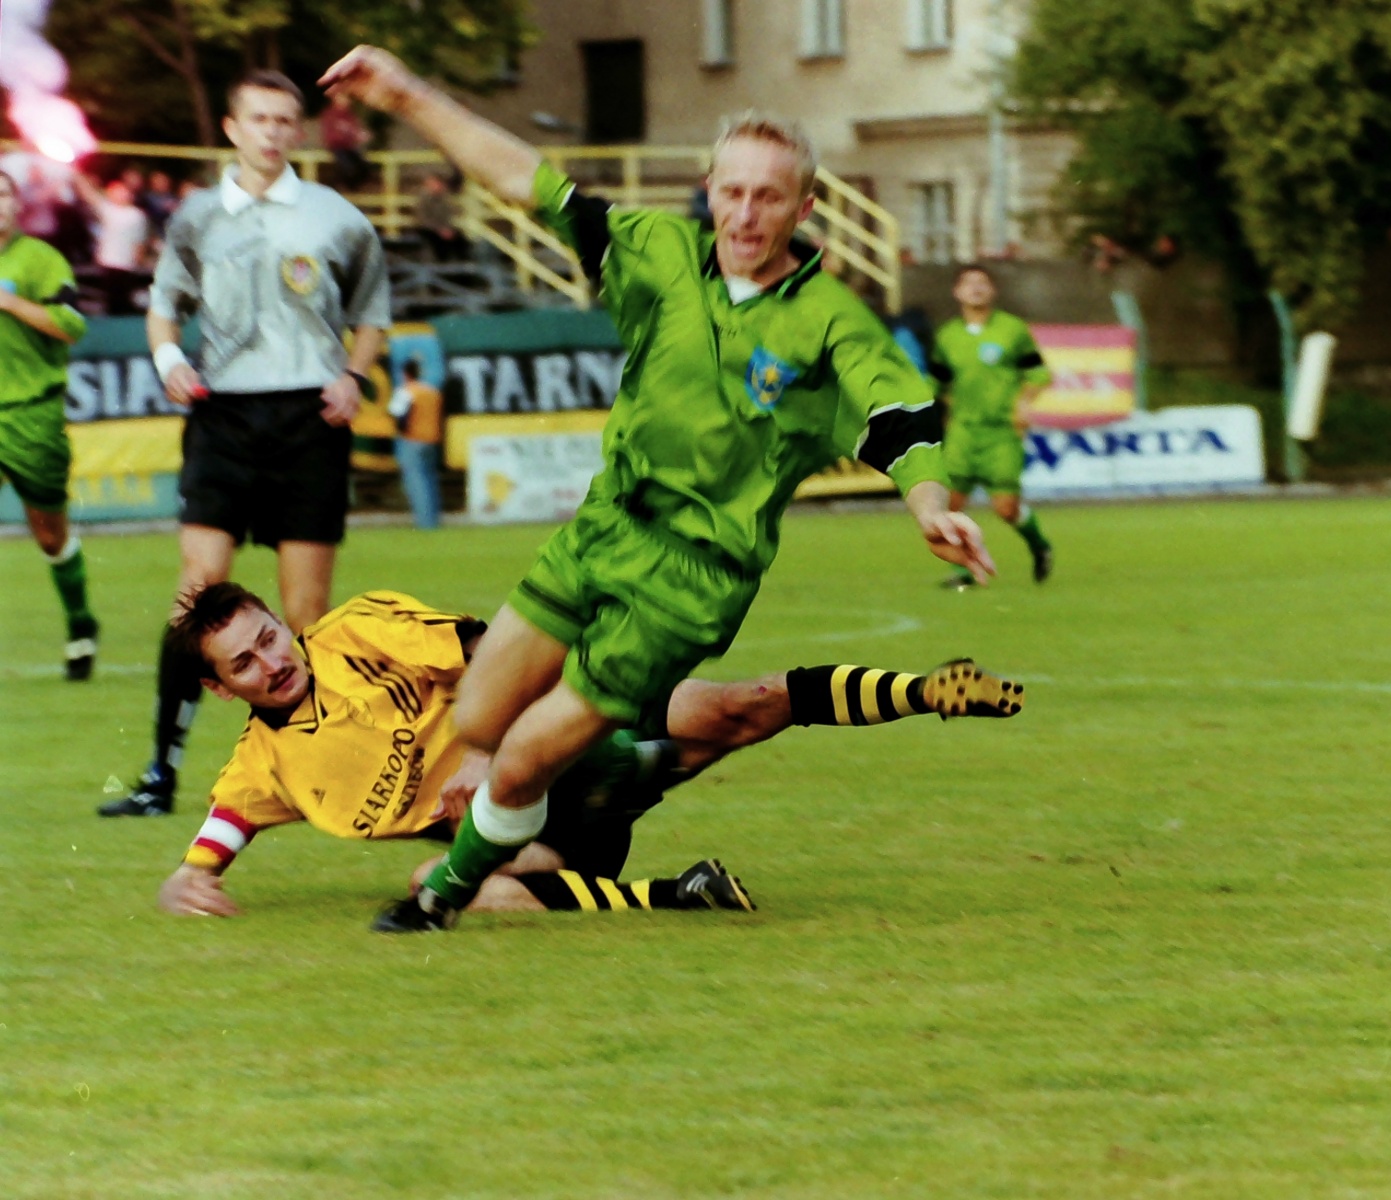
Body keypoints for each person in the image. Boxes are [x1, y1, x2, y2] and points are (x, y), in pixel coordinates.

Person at [319, 45, 996, 933]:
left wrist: (929, 501)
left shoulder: (830, 322)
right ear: (706, 189)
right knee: (478, 718)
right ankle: (567, 811)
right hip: (603, 529)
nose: (745, 213)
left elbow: (896, 415)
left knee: (517, 760)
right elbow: (527, 181)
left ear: (805, 207)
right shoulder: (657, 252)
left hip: (691, 578)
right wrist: (407, 93)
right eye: (732, 191)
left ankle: (441, 897)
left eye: (768, 196)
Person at [153, 582, 1023, 920]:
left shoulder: (358, 631)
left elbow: (500, 653)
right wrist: (186, 880)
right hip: (540, 838)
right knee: (440, 881)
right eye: (245, 663)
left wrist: (486, 747)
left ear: (282, 621)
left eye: (270, 637)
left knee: (745, 705)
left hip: (570, 728)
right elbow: (220, 833)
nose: (273, 661)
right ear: (221, 689)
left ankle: (928, 691)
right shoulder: (262, 768)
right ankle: (675, 896)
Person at [101, 69, 390, 818]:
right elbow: (163, 309)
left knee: (305, 611)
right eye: (259, 118)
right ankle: (159, 775)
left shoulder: (334, 217)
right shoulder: (197, 217)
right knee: (196, 593)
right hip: (223, 416)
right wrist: (170, 361)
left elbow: (371, 313)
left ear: (298, 130)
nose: (272, 132)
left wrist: (353, 376)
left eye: (285, 120)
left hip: (309, 419)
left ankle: (331, 769)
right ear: (232, 129)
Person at [0, 168, 99, 680]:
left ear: (16, 205)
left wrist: (12, 302)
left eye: (2, 193)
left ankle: (81, 622)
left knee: (48, 535)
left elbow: (72, 324)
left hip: (30, 413)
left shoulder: (39, 259)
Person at [930, 264, 1056, 587]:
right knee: (951, 505)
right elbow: (936, 384)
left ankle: (1040, 545)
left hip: (1001, 432)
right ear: (957, 292)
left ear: (993, 291)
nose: (976, 288)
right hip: (962, 432)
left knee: (1006, 509)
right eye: (968, 283)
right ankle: (964, 572)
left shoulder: (1013, 330)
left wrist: (1024, 402)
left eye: (982, 283)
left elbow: (1039, 374)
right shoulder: (947, 336)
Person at [72, 173, 150, 315]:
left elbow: (140, 240)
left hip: (126, 262)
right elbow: (89, 195)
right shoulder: (109, 210)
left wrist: (138, 259)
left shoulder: (137, 215)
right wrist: (77, 174)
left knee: (123, 297)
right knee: (111, 297)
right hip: (108, 260)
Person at [389, 356, 444, 528]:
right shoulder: (432, 391)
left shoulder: (405, 391)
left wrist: (401, 431)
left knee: (416, 482)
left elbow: (398, 415)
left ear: (405, 373)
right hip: (431, 439)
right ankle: (434, 519)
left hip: (412, 440)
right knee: (430, 480)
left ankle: (424, 522)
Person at [319, 92, 372, 191]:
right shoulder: (331, 113)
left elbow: (354, 129)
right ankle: (339, 187)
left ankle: (352, 187)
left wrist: (359, 135)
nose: (347, 102)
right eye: (343, 99)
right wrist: (353, 133)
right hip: (336, 145)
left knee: (363, 166)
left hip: (348, 146)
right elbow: (333, 132)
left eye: (347, 99)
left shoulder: (349, 115)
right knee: (348, 166)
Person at [412, 172, 465, 261]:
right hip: (427, 229)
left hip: (441, 228)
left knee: (460, 238)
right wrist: (439, 230)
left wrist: (447, 229)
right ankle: (440, 261)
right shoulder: (423, 200)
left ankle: (461, 261)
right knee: (436, 240)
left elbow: (448, 216)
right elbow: (423, 219)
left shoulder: (444, 200)